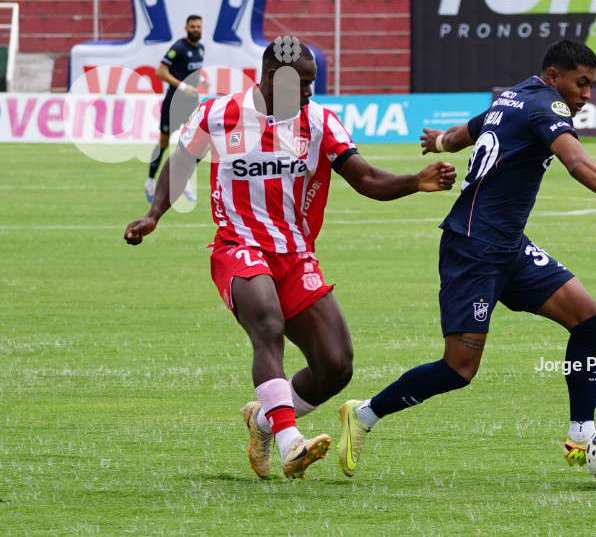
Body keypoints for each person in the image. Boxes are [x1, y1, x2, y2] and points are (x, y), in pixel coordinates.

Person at [335, 39, 596, 477]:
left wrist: (439, 143)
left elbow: (466, 132)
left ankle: (580, 435)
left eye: (592, 86)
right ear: (555, 77)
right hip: (474, 249)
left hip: (508, 246)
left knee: (590, 320)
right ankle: (363, 415)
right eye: (582, 84)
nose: (587, 95)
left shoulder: (512, 97)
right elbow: (576, 162)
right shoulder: (546, 107)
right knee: (458, 369)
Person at [124, 37, 457, 480]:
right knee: (267, 323)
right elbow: (182, 159)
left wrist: (416, 181)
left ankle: (262, 421)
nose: (309, 93)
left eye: (312, 83)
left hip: (295, 255)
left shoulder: (319, 122)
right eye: (301, 83)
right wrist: (154, 214)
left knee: (336, 366)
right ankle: (289, 441)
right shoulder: (218, 114)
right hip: (237, 246)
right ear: (270, 79)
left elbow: (366, 179)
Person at [145, 14, 209, 203]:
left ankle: (185, 182)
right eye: (192, 26)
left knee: (197, 144)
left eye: (198, 26)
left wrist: (202, 80)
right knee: (163, 143)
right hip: (174, 102)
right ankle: (150, 182)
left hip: (191, 103)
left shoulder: (201, 49)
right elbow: (160, 71)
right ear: (186, 28)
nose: (196, 29)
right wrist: (182, 86)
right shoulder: (178, 47)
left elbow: (190, 71)